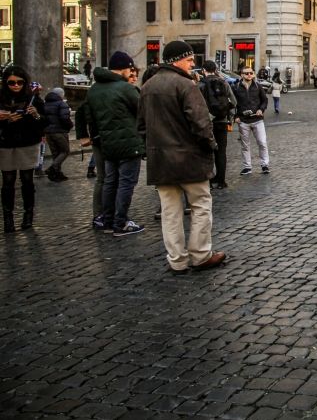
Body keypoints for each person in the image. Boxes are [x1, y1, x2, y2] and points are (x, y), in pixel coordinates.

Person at [138, 41, 226, 274]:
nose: (192, 64)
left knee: (170, 212)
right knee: (201, 205)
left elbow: (141, 126)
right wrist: (211, 145)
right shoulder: (185, 85)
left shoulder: (147, 86)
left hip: (161, 161)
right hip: (189, 159)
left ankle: (176, 260)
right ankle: (200, 255)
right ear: (177, 60)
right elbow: (201, 123)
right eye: (189, 60)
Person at [87, 51, 145, 236]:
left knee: (110, 182)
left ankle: (108, 220)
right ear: (124, 69)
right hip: (129, 143)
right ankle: (121, 222)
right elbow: (142, 111)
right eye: (130, 68)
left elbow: (87, 115)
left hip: (107, 143)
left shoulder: (95, 89)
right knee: (126, 183)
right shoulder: (124, 88)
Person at [0, 67, 45, 232]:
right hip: (5, 144)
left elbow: (45, 122)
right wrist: (4, 118)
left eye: (19, 82)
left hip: (27, 143)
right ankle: (8, 219)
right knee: (8, 182)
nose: (16, 85)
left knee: (27, 180)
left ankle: (28, 216)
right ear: (5, 83)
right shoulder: (1, 98)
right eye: (11, 82)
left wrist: (36, 115)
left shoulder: (33, 99)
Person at [199, 60, 237, 190]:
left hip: (207, 123)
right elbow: (233, 101)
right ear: (215, 69)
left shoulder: (201, 84)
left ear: (203, 70)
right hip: (222, 121)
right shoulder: (224, 82)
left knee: (207, 151)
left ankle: (208, 181)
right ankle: (221, 181)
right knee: (221, 152)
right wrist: (229, 116)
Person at [233, 66, 269, 175]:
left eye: (251, 73)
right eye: (246, 73)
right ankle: (247, 167)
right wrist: (235, 116)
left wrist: (261, 109)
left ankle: (265, 165)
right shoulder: (236, 87)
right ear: (242, 75)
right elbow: (233, 104)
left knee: (262, 143)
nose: (249, 75)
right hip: (243, 121)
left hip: (257, 119)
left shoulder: (258, 86)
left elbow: (265, 100)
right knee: (245, 145)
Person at [42, 87, 73, 182]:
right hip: (59, 131)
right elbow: (65, 118)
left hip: (48, 132)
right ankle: (52, 168)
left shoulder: (45, 104)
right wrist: (70, 126)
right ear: (61, 94)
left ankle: (57, 174)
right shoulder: (61, 104)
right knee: (65, 151)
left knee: (56, 154)